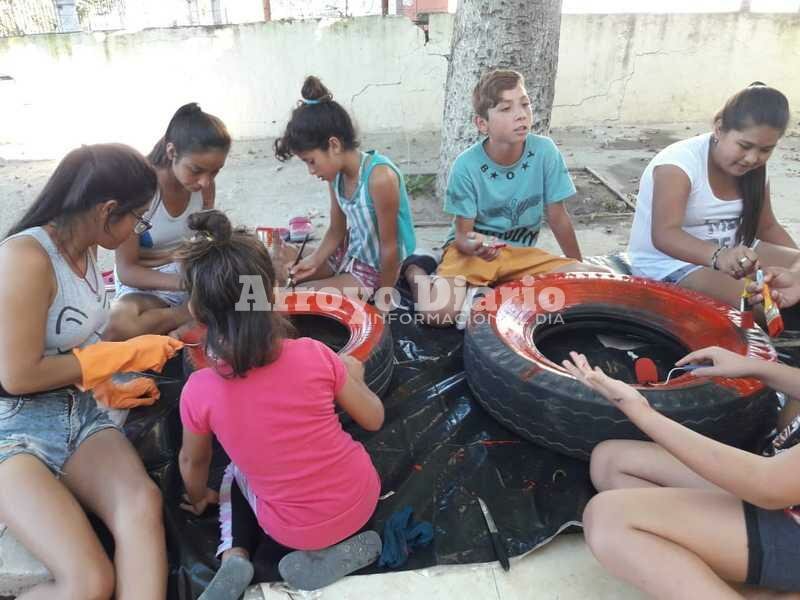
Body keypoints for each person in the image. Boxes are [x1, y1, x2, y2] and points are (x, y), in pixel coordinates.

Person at [0, 144, 183, 599]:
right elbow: (16, 375)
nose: (136, 231)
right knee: (89, 583)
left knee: (141, 505)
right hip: (12, 431)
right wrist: (119, 358)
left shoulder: (85, 249)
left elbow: (75, 341)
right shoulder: (26, 259)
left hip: (77, 413)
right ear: (107, 211)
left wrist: (104, 385)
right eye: (137, 218)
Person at [176, 210, 384, 598]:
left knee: (234, 473)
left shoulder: (199, 390)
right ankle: (338, 551)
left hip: (287, 530)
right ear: (271, 293)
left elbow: (193, 462)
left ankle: (234, 555)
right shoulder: (315, 355)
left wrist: (200, 496)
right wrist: (353, 375)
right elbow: (373, 418)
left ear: (195, 309)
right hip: (361, 499)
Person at [563, 271, 800, 600]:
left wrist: (640, 411)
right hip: (785, 490)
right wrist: (753, 367)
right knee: (613, 461)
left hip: (784, 509)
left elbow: (766, 486)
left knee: (608, 520)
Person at [401, 69, 606, 328]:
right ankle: (418, 269)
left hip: (519, 254)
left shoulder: (545, 152)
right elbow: (463, 235)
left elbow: (558, 217)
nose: (521, 114)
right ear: (482, 124)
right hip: (472, 254)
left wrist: (579, 266)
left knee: (600, 280)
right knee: (436, 314)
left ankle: (485, 290)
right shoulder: (466, 166)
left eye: (525, 104)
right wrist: (476, 245)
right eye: (506, 108)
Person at [627, 82, 799, 309]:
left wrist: (795, 270)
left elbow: (766, 228)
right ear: (719, 128)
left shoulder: (755, 169)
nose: (752, 158)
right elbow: (665, 235)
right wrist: (718, 256)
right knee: (759, 302)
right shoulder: (678, 165)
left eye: (765, 150)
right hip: (670, 263)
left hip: (735, 255)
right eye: (744, 145)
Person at [273, 76, 416, 300]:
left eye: (311, 161)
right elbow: (336, 230)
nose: (311, 171)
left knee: (293, 297)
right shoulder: (335, 176)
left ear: (334, 145)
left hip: (376, 270)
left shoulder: (380, 179)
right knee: (280, 269)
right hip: (350, 252)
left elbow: (391, 249)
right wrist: (314, 260)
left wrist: (384, 302)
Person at [105, 102, 231, 340]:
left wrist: (201, 270)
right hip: (151, 286)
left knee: (256, 281)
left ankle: (200, 316)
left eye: (215, 172)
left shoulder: (202, 185)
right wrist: (187, 283)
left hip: (192, 272)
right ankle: (195, 314)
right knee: (117, 325)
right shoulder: (138, 190)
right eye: (196, 170)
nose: (205, 181)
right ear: (172, 152)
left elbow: (203, 239)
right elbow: (127, 270)